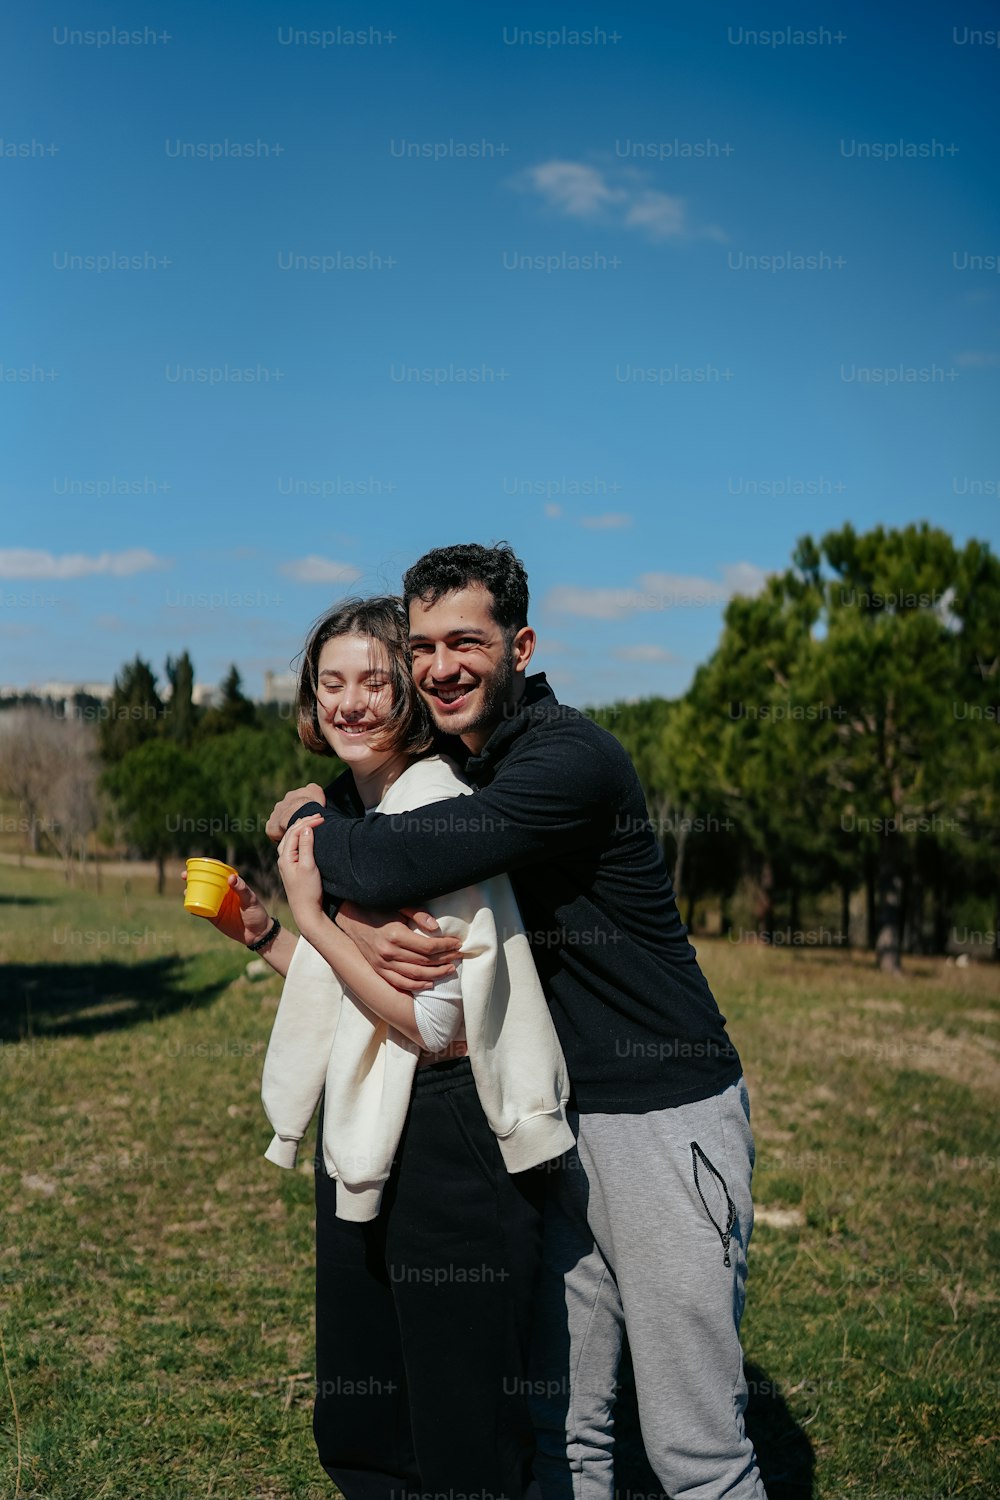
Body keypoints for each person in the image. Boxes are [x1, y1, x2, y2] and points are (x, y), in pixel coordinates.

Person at [270, 543, 769, 1500]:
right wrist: (308, 808)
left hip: (662, 1117)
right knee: (561, 1431)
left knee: (692, 1450)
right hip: (547, 1129)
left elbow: (377, 862)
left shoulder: (567, 762)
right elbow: (364, 804)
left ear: (523, 646)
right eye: (423, 647)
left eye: (468, 641)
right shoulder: (463, 758)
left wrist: (311, 849)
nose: (442, 666)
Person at [194, 594, 573, 1499]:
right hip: (370, 1133)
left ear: (409, 693)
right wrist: (266, 936)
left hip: (449, 1144)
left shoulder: (432, 809)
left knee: (456, 1431)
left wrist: (319, 919)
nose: (351, 702)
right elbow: (362, 1004)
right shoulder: (350, 819)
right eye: (331, 683)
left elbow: (432, 1027)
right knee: (367, 1417)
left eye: (374, 680)